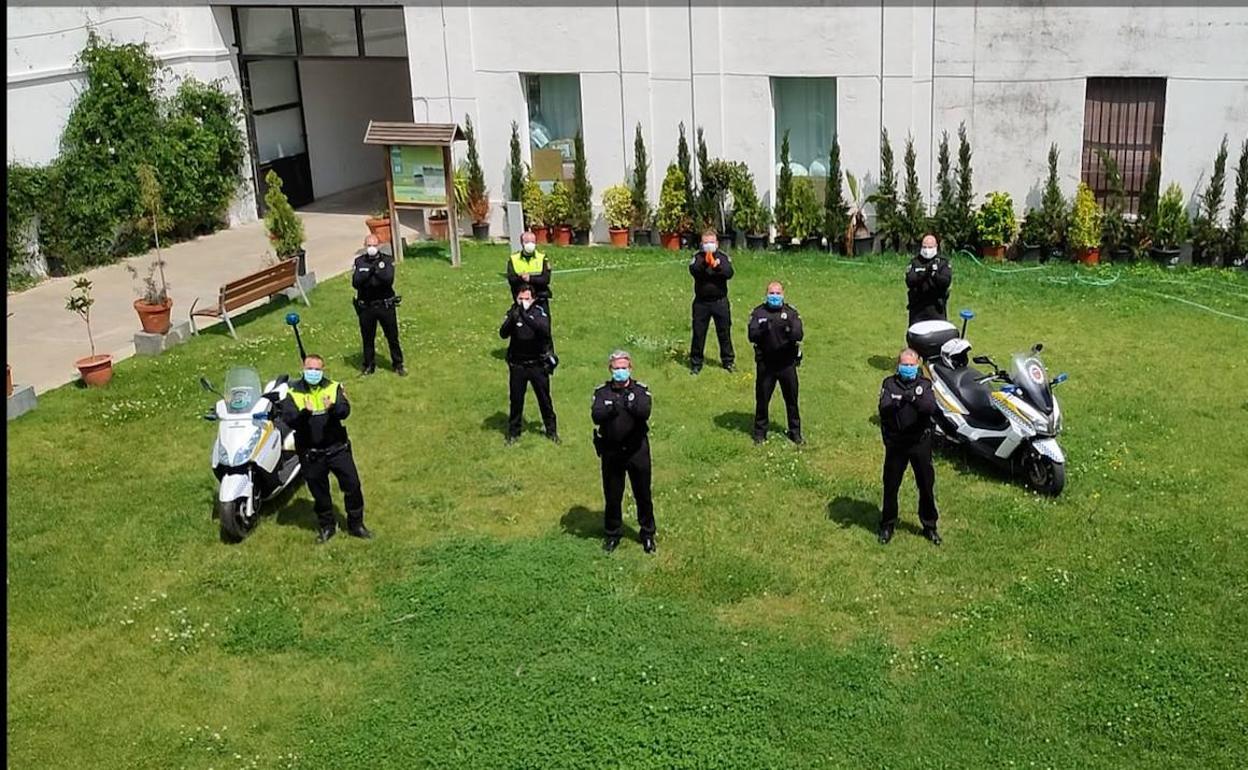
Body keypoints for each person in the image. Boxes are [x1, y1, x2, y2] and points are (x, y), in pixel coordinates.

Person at [279, 354, 373, 544]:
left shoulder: (334, 387)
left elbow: (345, 412)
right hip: (311, 454)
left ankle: (356, 525)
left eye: (317, 369)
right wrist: (305, 412)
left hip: (337, 449)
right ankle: (327, 527)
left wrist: (332, 408)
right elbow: (290, 420)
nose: (313, 372)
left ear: (323, 370)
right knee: (320, 494)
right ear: (303, 369)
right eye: (309, 369)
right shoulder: (291, 392)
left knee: (352, 486)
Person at [590, 350, 655, 554]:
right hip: (612, 452)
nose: (620, 372)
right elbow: (597, 415)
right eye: (616, 368)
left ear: (630, 368)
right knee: (612, 495)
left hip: (637, 451)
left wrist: (624, 404)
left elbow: (643, 411)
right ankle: (612, 534)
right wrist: (616, 407)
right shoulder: (602, 392)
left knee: (643, 494)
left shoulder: (641, 390)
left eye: (623, 368)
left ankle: (647, 534)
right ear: (610, 369)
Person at [877, 348, 941, 546]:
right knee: (891, 485)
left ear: (918, 366)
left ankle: (929, 526)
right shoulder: (889, 384)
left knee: (925, 485)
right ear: (898, 365)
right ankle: (887, 524)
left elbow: (929, 407)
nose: (907, 368)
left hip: (919, 443)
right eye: (904, 364)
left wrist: (912, 399)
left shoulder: (925, 385)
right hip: (897, 444)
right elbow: (884, 407)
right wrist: (898, 402)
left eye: (911, 365)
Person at [499, 284, 558, 445]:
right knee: (516, 400)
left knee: (544, 399)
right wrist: (513, 318)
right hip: (518, 365)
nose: (523, 301)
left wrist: (524, 315)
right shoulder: (513, 312)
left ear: (533, 299)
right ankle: (513, 433)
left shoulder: (540, 312)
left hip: (537, 365)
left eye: (526, 298)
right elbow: (503, 333)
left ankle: (551, 431)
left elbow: (543, 330)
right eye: (520, 298)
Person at [747, 281, 805, 445]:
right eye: (772, 293)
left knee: (792, 400)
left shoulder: (791, 312)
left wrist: (788, 330)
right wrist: (763, 329)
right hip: (766, 365)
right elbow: (751, 335)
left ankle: (795, 433)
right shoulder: (758, 313)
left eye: (778, 293)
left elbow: (799, 334)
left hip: (787, 364)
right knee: (762, 400)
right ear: (766, 294)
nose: (775, 296)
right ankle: (760, 433)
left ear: (783, 294)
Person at [352, 234, 407, 376]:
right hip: (367, 307)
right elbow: (356, 282)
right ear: (365, 246)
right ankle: (369, 365)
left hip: (385, 305)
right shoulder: (359, 262)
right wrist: (372, 271)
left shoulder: (387, 260)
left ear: (379, 245)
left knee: (392, 336)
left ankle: (398, 364)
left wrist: (373, 271)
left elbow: (387, 280)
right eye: (369, 245)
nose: (372, 248)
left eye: (374, 245)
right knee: (367, 337)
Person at [688, 229, 735, 374]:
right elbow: (694, 269)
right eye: (706, 242)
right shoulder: (697, 257)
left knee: (724, 332)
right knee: (698, 333)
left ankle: (728, 361)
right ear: (701, 244)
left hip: (720, 302)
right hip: (701, 303)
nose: (709, 245)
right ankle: (696, 363)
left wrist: (716, 266)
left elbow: (729, 273)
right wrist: (705, 263)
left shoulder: (723, 257)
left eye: (712, 242)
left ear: (717, 243)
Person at [905, 233, 953, 325]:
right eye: (925, 247)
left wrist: (934, 274)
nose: (927, 250)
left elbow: (945, 282)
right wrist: (925, 273)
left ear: (936, 246)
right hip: (918, 309)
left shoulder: (943, 263)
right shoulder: (915, 262)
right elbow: (910, 281)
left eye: (930, 247)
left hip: (936, 309)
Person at [507, 230, 552, 316]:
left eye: (533, 242)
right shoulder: (514, 259)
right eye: (527, 242)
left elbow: (546, 279)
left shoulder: (542, 258)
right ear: (522, 243)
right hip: (522, 299)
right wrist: (521, 278)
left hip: (540, 298)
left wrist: (529, 278)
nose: (530, 244)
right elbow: (511, 279)